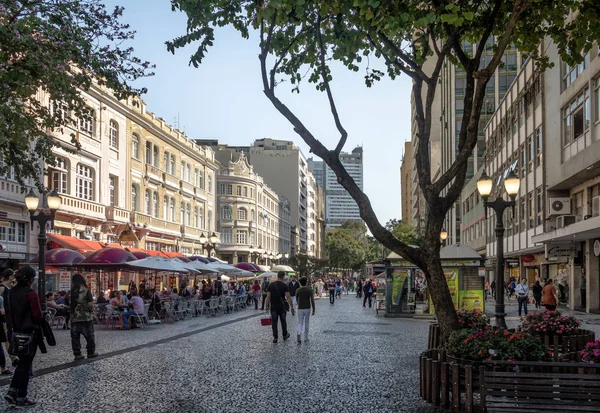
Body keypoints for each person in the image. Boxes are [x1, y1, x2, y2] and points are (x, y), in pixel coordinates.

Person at [4, 266, 42, 408]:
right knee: (26, 365)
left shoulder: (10, 293)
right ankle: (21, 396)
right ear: (31, 279)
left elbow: (8, 313)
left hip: (14, 333)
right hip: (29, 333)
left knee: (22, 364)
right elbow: (37, 315)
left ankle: (13, 391)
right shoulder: (31, 293)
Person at [70, 273, 97, 361]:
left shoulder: (70, 292)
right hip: (85, 318)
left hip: (74, 317)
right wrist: (91, 311)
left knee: (75, 337)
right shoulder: (86, 291)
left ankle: (77, 354)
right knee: (89, 336)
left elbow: (68, 304)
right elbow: (90, 305)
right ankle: (90, 352)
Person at [265, 271, 294, 343]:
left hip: (273, 307)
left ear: (277, 276)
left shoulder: (271, 285)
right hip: (282, 307)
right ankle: (285, 335)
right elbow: (288, 296)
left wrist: (267, 306)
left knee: (274, 322)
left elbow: (268, 297)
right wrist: (291, 306)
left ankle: (275, 337)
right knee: (283, 321)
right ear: (283, 277)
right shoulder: (284, 286)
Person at [0, 269, 17, 368]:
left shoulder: (10, 287)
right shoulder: (2, 288)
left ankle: (13, 357)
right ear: (10, 276)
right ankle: (13, 358)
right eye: (13, 275)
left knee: (8, 337)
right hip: (3, 317)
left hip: (9, 316)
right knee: (7, 338)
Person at [295, 277, 315, 343]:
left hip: (300, 307)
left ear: (300, 283)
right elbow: (312, 300)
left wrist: (298, 304)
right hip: (307, 307)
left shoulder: (298, 290)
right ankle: (306, 337)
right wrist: (314, 309)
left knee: (300, 322)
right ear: (306, 282)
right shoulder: (309, 290)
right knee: (307, 322)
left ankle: (299, 333)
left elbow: (296, 299)